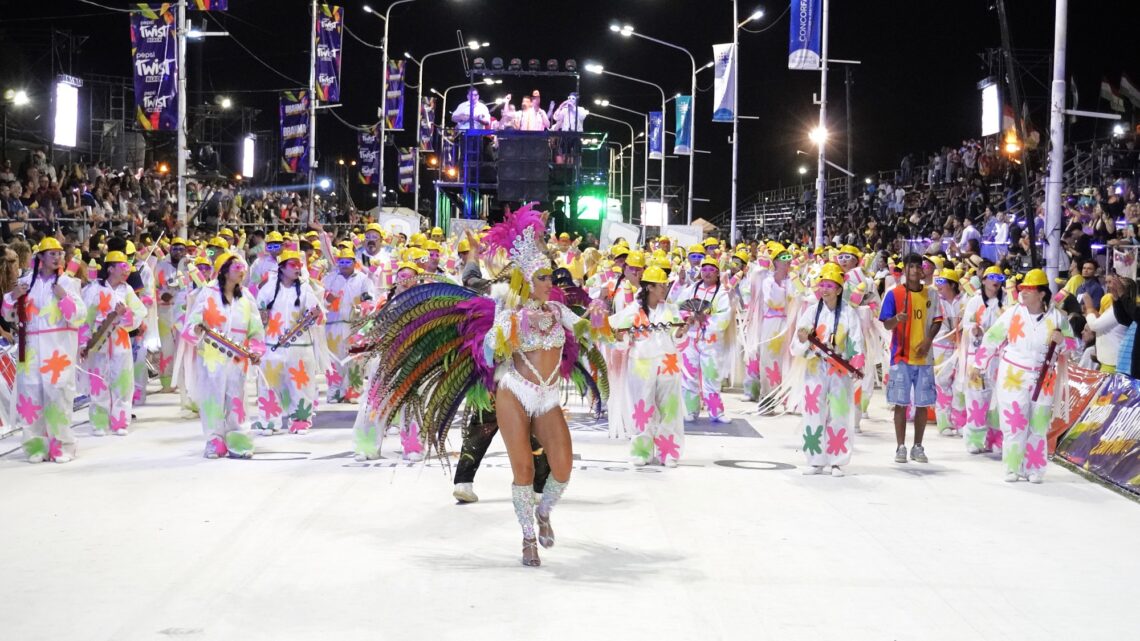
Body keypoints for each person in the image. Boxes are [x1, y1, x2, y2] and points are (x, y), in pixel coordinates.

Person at [972, 269, 1077, 483]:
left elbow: (1074, 346)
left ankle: (1035, 467)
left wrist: (1063, 341)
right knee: (1014, 423)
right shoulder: (1013, 313)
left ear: (1042, 294)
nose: (1024, 293)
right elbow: (992, 337)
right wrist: (979, 363)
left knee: (1038, 425)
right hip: (1013, 374)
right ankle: (1012, 466)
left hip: (1044, 377)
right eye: (1022, 289)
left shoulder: (1057, 317)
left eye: (1029, 289)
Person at [1, 237, 88, 462]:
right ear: (40, 256)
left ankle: (62, 446)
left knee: (58, 394)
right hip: (29, 349)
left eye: (59, 253)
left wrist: (63, 298)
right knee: (30, 395)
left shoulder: (68, 283)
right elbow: (8, 313)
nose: (57, 257)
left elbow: (79, 315)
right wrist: (13, 297)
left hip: (57, 348)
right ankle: (35, 446)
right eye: (52, 253)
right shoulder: (26, 282)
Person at [184, 252, 266, 458]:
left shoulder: (246, 296)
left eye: (243, 268)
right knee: (212, 398)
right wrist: (197, 328)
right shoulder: (208, 293)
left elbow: (255, 327)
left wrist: (256, 350)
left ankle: (239, 441)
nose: (242, 271)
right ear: (224, 270)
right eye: (237, 267)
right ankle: (214, 441)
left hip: (238, 356)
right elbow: (192, 323)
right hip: (212, 355)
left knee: (236, 399)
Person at [608, 265, 691, 467]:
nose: (665, 288)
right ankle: (641, 451)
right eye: (661, 284)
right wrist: (619, 337)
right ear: (650, 287)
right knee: (642, 408)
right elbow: (622, 342)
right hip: (641, 363)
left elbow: (679, 339)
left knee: (669, 408)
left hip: (668, 362)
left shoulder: (670, 310)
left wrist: (680, 334)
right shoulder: (632, 312)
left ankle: (668, 451)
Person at [791, 263, 865, 476]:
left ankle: (836, 461)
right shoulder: (812, 311)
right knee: (814, 412)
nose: (824, 289)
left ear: (839, 289)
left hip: (839, 370)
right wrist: (803, 339)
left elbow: (856, 342)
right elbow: (799, 341)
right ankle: (815, 460)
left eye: (830, 285)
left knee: (839, 412)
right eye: (822, 285)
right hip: (815, 368)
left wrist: (855, 364)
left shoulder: (849, 313)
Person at [255, 250, 328, 434]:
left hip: (300, 346)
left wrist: (315, 314)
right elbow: (256, 312)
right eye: (292, 265)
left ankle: (300, 420)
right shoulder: (268, 288)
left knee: (301, 385)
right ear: (281, 268)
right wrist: (261, 316)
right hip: (272, 344)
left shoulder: (305, 288)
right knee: (269, 384)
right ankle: (269, 421)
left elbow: (319, 314)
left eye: (299, 265)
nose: (298, 268)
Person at [879, 253, 942, 464]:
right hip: (901, 357)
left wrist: (928, 341)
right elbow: (886, 324)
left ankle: (918, 446)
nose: (915, 270)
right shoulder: (894, 294)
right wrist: (897, 319)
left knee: (923, 405)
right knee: (900, 404)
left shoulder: (931, 295)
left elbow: (937, 320)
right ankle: (900, 446)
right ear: (904, 269)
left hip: (924, 358)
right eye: (911, 266)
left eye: (918, 266)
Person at [80, 250, 146, 435]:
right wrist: (84, 342)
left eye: (128, 267)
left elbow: (139, 313)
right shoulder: (94, 289)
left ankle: (120, 421)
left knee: (122, 381)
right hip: (99, 341)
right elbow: (86, 318)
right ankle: (99, 421)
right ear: (110, 268)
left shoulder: (127, 290)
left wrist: (126, 315)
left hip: (121, 341)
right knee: (99, 381)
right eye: (123, 266)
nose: (127, 271)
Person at [674, 255, 733, 423]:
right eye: (704, 269)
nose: (707, 273)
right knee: (688, 375)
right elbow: (679, 306)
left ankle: (716, 412)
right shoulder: (691, 289)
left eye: (711, 270)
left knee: (711, 376)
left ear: (717, 273)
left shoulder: (721, 293)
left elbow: (724, 317)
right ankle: (690, 410)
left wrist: (705, 319)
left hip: (710, 340)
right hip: (691, 337)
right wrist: (688, 317)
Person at [960, 266, 1007, 454]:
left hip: (999, 358)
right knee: (976, 399)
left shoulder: (1007, 302)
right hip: (977, 356)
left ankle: (996, 439)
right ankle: (975, 439)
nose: (995, 281)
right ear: (984, 280)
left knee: (998, 399)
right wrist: (974, 330)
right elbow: (966, 324)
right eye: (992, 277)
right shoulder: (975, 301)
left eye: (999, 277)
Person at [322, 247, 376, 404]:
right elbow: (320, 301)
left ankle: (354, 390)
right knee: (333, 359)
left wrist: (362, 308)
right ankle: (335, 390)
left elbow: (370, 300)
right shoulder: (329, 279)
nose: (344, 265)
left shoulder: (363, 279)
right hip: (332, 326)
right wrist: (327, 301)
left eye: (348, 261)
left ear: (354, 262)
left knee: (355, 358)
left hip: (354, 325)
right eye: (341, 261)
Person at [931, 268, 965, 437]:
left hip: (962, 349)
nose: (939, 287)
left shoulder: (964, 301)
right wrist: (949, 335)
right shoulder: (937, 301)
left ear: (952, 285)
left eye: (942, 283)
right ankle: (944, 423)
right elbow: (935, 323)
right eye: (937, 283)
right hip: (941, 348)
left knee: (960, 386)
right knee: (942, 384)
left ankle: (959, 422)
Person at [154, 237, 189, 392]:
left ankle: (184, 382)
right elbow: (153, 287)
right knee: (167, 347)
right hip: (165, 310)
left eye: (181, 249)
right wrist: (162, 296)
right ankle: (167, 383)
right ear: (170, 250)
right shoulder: (161, 265)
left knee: (184, 347)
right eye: (175, 249)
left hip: (183, 311)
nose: (178, 252)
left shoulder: (189, 266)